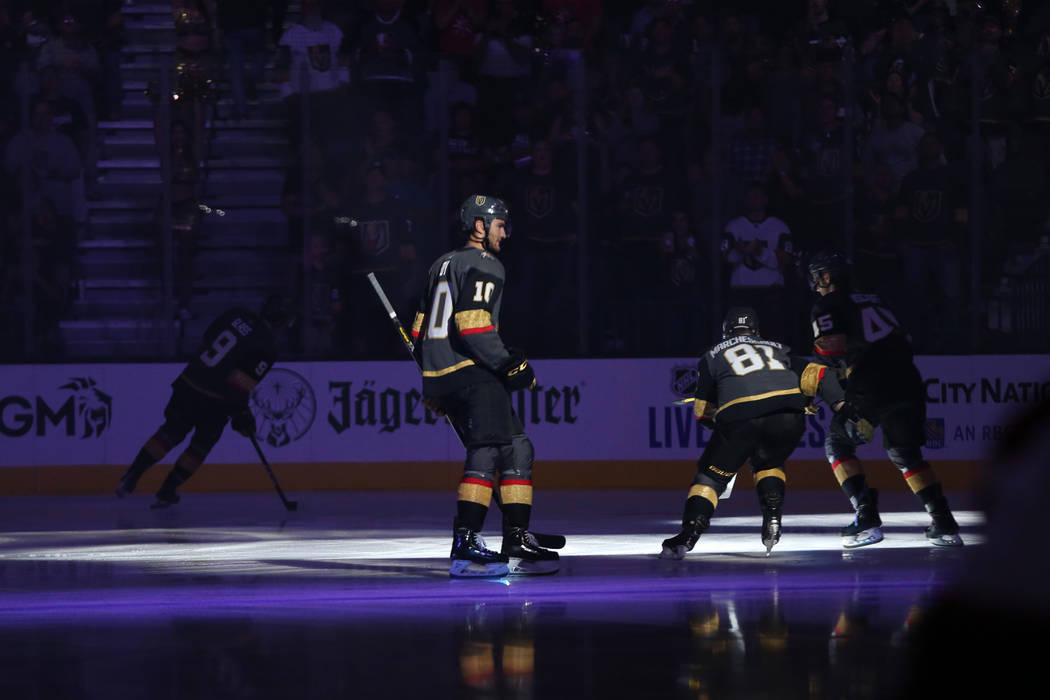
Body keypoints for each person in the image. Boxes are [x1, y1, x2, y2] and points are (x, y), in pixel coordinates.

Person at [412, 195, 558, 578]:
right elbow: (474, 324)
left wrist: (434, 381)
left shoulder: (440, 264)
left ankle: (515, 537)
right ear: (479, 226)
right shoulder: (485, 262)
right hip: (473, 370)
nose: (505, 234)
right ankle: (466, 545)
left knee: (516, 446)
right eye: (500, 226)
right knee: (489, 450)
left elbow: (418, 330)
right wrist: (513, 365)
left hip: (451, 372)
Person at [660, 306, 851, 559]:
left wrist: (717, 422)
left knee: (709, 479)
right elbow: (821, 374)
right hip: (788, 417)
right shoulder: (779, 348)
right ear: (756, 331)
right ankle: (772, 518)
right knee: (769, 461)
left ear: (726, 332)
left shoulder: (711, 355)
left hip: (742, 420)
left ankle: (687, 536)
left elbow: (702, 411)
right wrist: (843, 407)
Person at [807, 251, 963, 548]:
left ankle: (866, 518)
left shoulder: (827, 303)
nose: (815, 285)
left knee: (837, 443)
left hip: (870, 381)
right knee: (905, 453)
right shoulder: (875, 298)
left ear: (827, 276)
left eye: (817, 278)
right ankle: (944, 524)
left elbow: (831, 346)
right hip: (908, 378)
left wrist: (822, 372)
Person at [115, 295, 294, 508]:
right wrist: (242, 414)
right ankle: (167, 490)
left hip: (188, 383)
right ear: (282, 322)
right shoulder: (267, 348)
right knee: (200, 447)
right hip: (215, 401)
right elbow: (239, 384)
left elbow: (207, 339)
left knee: (169, 433)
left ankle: (132, 475)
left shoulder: (235, 314)